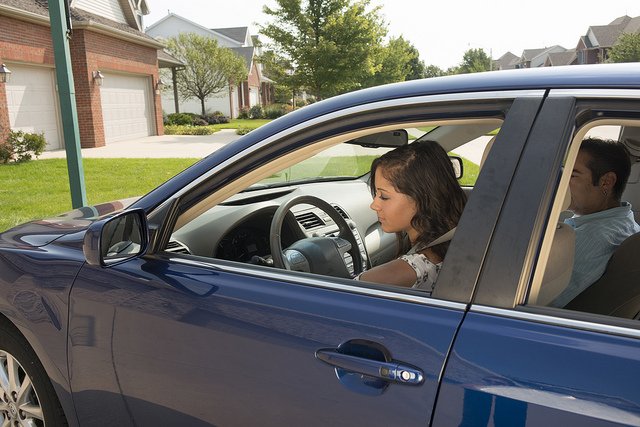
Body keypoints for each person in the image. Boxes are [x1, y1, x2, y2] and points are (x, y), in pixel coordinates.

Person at [355, 140, 467, 290]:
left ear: (422, 199)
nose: (374, 205)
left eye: (384, 196)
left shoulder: (406, 272)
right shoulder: (458, 237)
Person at [550, 137, 640, 307]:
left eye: (572, 174)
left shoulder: (595, 238)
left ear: (606, 182)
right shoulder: (624, 223)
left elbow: (543, 301)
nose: (561, 183)